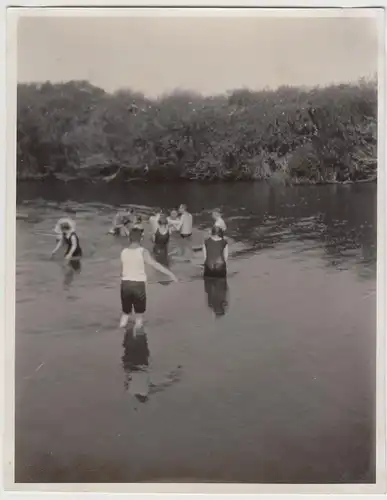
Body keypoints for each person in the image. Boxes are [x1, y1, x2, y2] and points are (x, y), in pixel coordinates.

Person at [120, 228, 178, 332]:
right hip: (138, 286)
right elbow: (154, 264)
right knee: (139, 316)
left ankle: (120, 332)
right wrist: (170, 274)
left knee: (125, 314)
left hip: (125, 285)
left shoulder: (123, 252)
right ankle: (138, 337)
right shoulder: (143, 251)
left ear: (129, 238)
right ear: (141, 238)